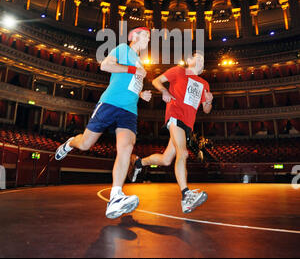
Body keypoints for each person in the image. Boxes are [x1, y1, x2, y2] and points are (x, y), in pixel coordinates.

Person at [55, 27, 152, 219]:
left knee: (126, 148)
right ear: (135, 36)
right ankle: (70, 143)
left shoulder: (141, 61)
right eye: (146, 35)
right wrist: (134, 69)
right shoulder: (124, 48)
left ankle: (116, 196)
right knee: (85, 144)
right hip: (110, 103)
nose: (149, 39)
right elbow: (105, 66)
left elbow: (129, 84)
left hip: (130, 110)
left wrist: (141, 93)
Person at [128, 52, 213, 214]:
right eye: (198, 57)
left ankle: (138, 163)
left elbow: (206, 110)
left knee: (167, 159)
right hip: (175, 116)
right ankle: (186, 196)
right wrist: (164, 92)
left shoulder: (204, 83)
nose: (201, 60)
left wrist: (209, 101)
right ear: (189, 60)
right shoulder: (179, 71)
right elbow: (156, 81)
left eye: (203, 59)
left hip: (188, 124)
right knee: (183, 153)